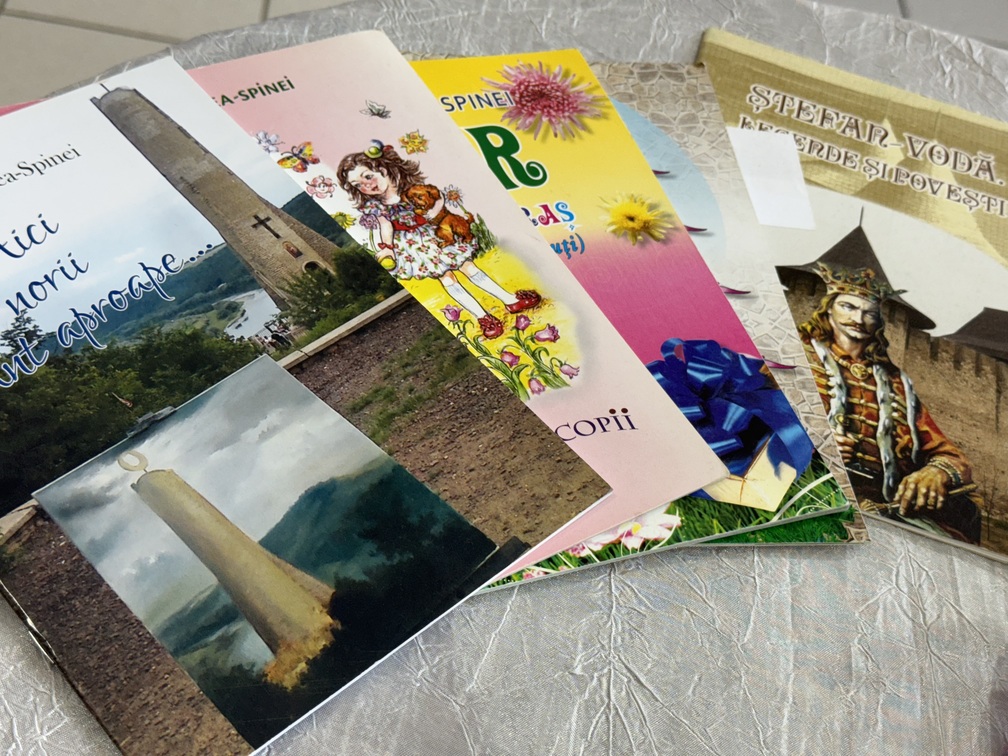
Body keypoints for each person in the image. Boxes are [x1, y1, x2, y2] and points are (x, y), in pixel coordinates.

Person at [798, 262, 982, 544]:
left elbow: (950, 455)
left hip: (884, 507)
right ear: (828, 308)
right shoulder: (795, 357)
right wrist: (809, 441)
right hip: (810, 491)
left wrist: (936, 471)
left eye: (869, 313)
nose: (858, 318)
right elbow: (750, 415)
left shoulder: (897, 385)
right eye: (848, 306)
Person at [336, 142, 540, 339]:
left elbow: (438, 198)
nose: (366, 185)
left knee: (468, 267)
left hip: (436, 233)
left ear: (383, 169)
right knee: (446, 278)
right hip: (413, 245)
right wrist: (388, 248)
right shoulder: (376, 206)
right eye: (358, 185)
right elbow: (386, 226)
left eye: (368, 176)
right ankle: (483, 318)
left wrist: (434, 215)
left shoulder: (411, 188)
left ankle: (509, 300)